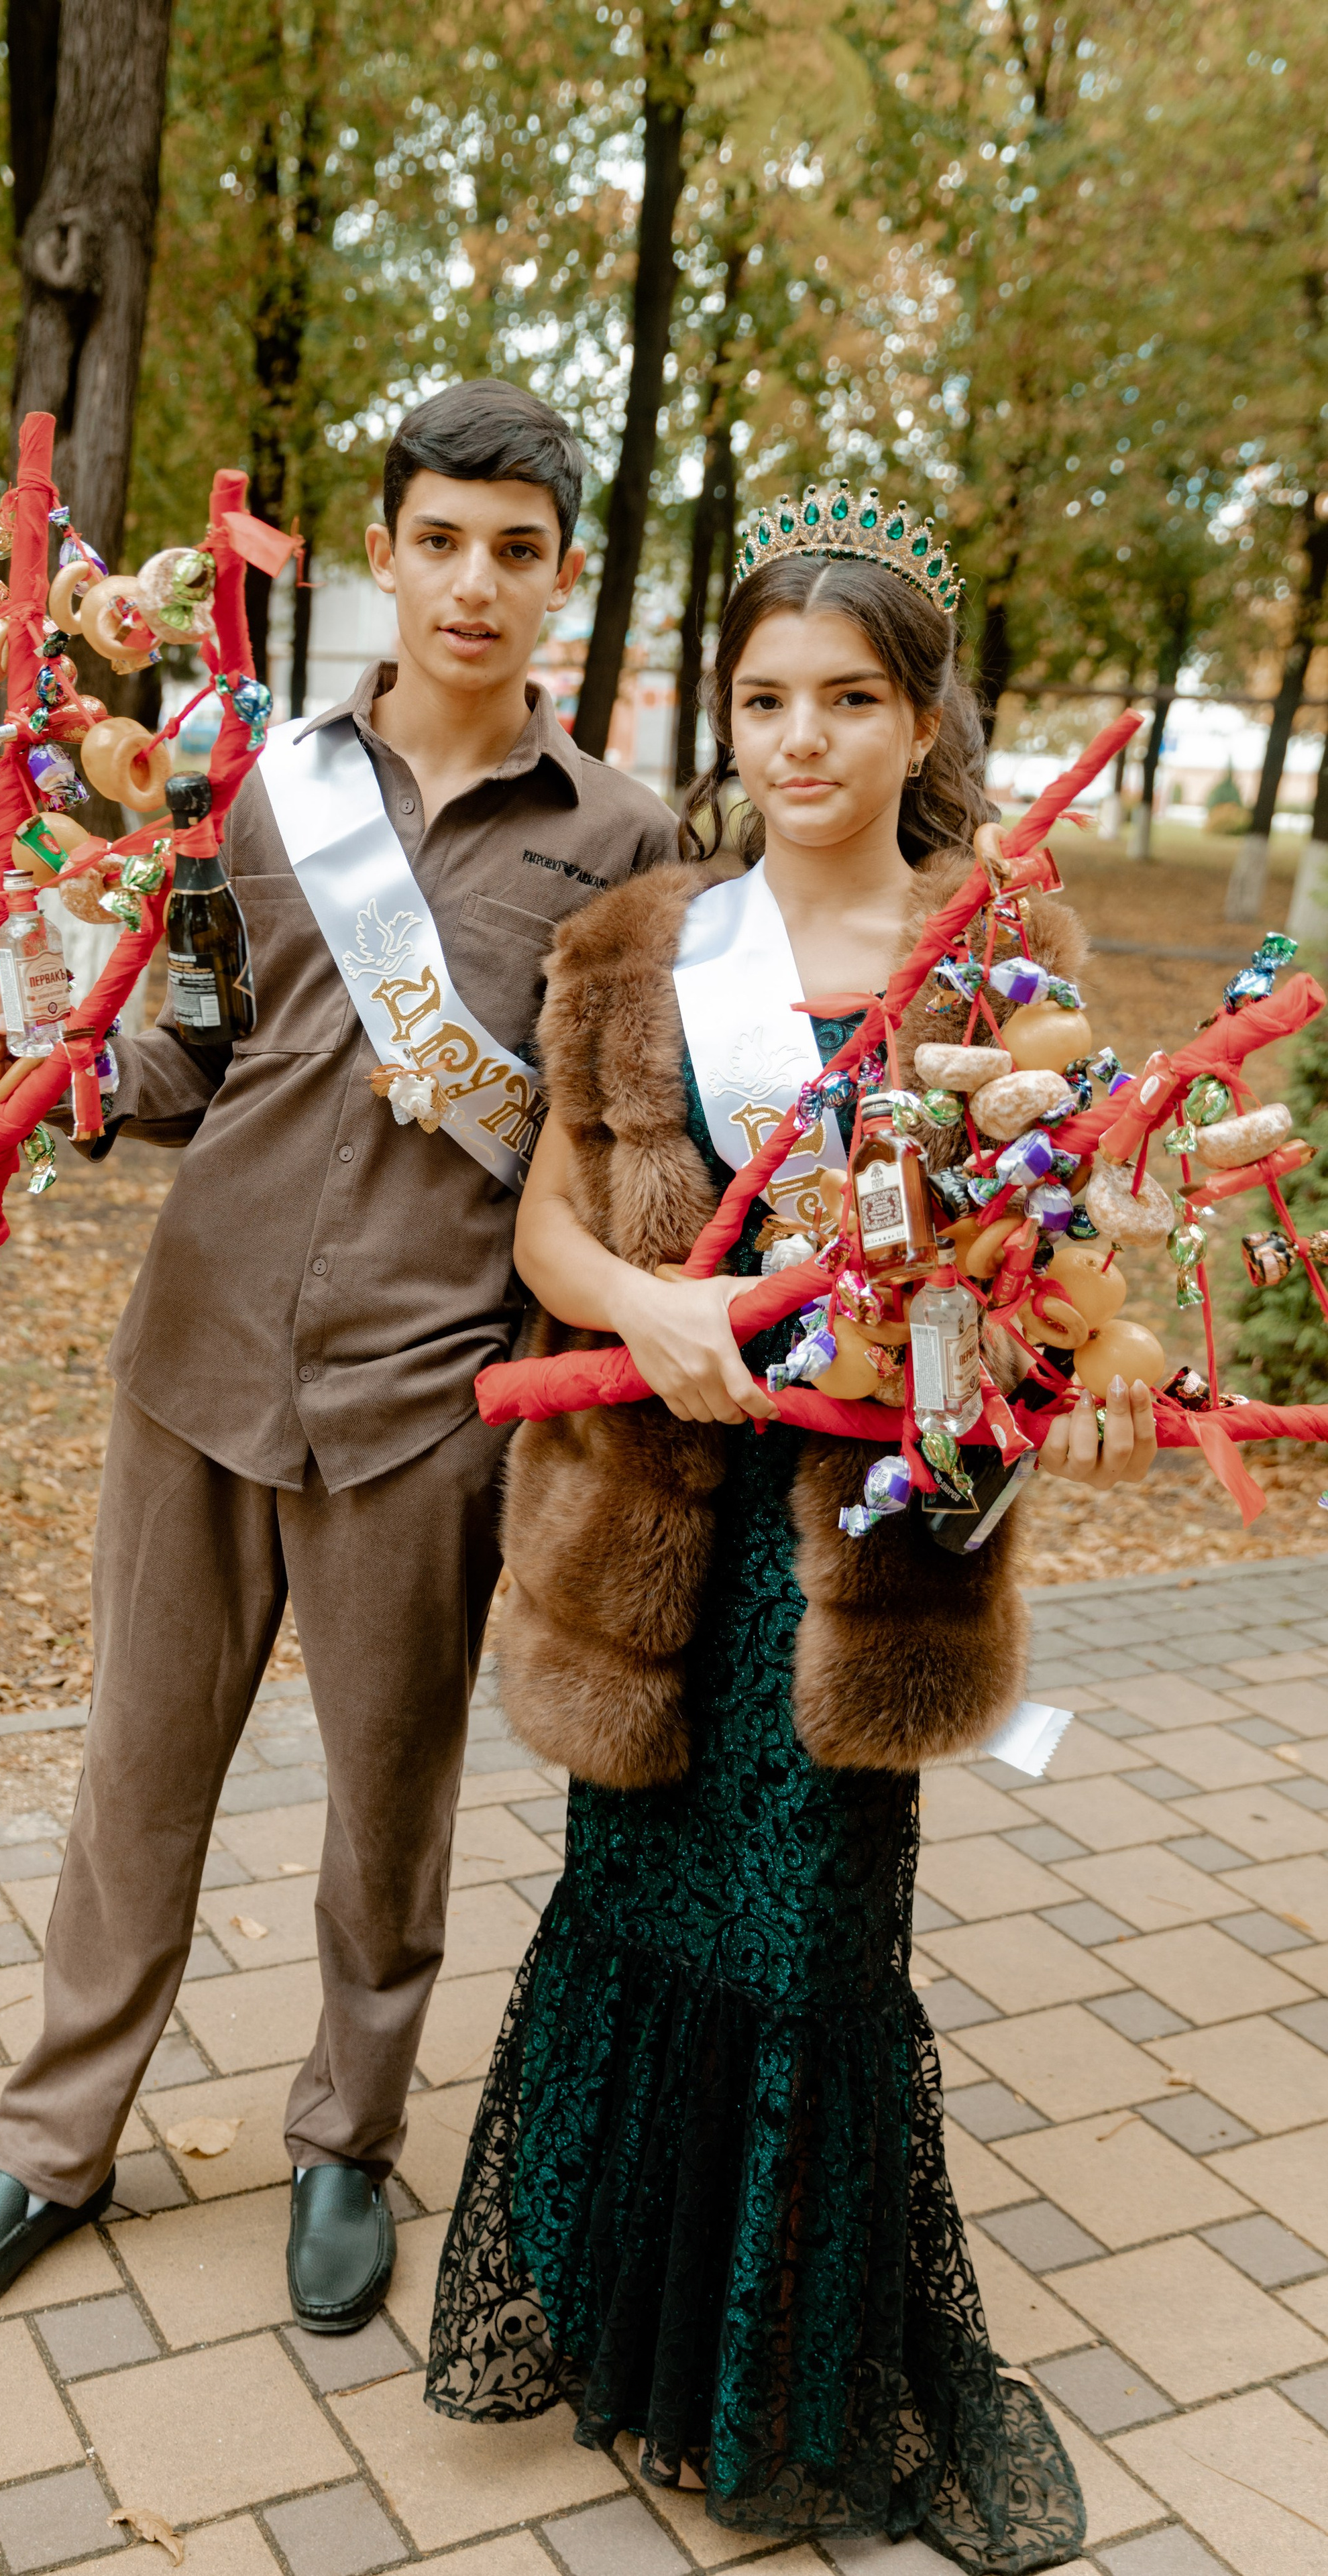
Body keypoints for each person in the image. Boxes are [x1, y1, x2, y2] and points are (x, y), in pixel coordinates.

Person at [0, 382, 679, 2340]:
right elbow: (189, 1043)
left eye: (515, 551)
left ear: (563, 578)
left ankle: (346, 2136)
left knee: (389, 1803)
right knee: (136, 1777)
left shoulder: (628, 841)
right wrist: (43, 1072)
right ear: (384, 554)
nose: (473, 583)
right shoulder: (267, 788)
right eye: (440, 541)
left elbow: (625, 1138)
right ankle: (52, 2143)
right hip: (201, 1354)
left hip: (426, 1396)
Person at [425, 500, 1157, 2569]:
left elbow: (1062, 1255)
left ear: (921, 719)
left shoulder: (998, 961)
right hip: (657, 1522)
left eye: (848, 698)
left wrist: (1087, 1355)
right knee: (640, 1894)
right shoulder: (642, 950)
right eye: (765, 700)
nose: (802, 740)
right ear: (728, 717)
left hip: (859, 1543)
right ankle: (633, 2332)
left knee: (812, 1934)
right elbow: (549, 1226)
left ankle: (776, 2378)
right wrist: (645, 1305)